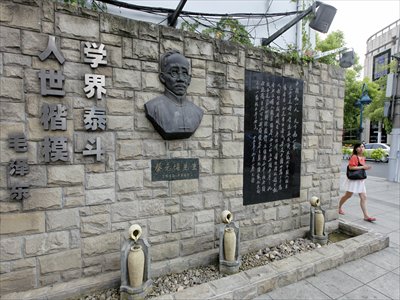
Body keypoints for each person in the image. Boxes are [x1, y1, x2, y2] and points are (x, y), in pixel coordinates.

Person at [144, 50, 203, 140]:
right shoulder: (153, 108)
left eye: (184, 73)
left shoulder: (198, 112)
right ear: (162, 78)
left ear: (189, 79)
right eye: (174, 73)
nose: (180, 79)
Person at [338, 143, 376, 222]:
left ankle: (366, 216)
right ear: (356, 149)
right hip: (353, 180)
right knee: (348, 195)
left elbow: (359, 168)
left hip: (360, 180)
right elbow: (351, 167)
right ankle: (338, 207)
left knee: (363, 197)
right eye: (359, 147)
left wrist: (365, 168)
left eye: (362, 147)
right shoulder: (354, 157)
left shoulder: (362, 157)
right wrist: (363, 167)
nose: (361, 148)